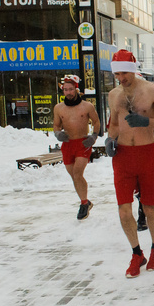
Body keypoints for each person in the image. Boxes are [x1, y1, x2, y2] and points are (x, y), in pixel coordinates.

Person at [106, 50, 154, 278]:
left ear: (133, 69)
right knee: (124, 211)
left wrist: (147, 121)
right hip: (123, 156)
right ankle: (137, 253)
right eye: (117, 73)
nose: (121, 77)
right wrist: (110, 139)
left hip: (148, 154)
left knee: (149, 207)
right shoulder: (113, 95)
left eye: (125, 72)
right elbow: (114, 125)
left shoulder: (151, 91)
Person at [53, 74, 101, 220]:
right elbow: (56, 125)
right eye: (65, 90)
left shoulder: (87, 106)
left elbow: (97, 122)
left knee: (77, 173)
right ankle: (86, 201)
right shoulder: (58, 108)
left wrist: (93, 137)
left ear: (76, 90)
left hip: (82, 143)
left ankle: (84, 203)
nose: (68, 92)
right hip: (67, 144)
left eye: (71, 89)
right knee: (74, 176)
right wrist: (57, 134)